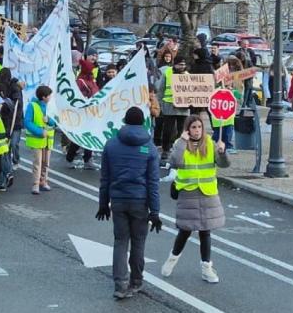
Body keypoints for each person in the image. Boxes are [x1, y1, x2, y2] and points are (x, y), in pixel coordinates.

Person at [96, 106, 161, 300]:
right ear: (143, 123)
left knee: (120, 241)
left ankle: (120, 285)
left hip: (118, 199)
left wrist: (103, 203)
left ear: (124, 121)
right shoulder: (149, 147)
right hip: (140, 201)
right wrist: (155, 211)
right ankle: (136, 281)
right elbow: (153, 182)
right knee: (138, 242)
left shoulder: (111, 144)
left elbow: (105, 178)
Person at [161, 115, 230, 284]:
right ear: (187, 129)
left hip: (207, 193)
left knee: (205, 232)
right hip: (188, 193)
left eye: (199, 127)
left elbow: (224, 164)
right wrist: (182, 142)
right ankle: (172, 260)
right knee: (185, 230)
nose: (197, 130)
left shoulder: (210, 143)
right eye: (193, 127)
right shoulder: (180, 144)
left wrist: (222, 152)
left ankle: (207, 268)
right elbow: (175, 162)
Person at [67, 53, 100, 169]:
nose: (92, 71)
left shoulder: (92, 80)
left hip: (92, 112)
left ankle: (87, 159)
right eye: (90, 70)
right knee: (80, 137)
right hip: (83, 113)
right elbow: (77, 97)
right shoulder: (80, 81)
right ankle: (70, 157)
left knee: (90, 136)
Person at [157, 56, 190, 162]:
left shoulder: (187, 75)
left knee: (182, 130)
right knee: (168, 129)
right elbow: (161, 89)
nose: (182, 67)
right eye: (180, 64)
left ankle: (180, 151)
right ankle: (166, 150)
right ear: (175, 64)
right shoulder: (168, 72)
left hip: (183, 106)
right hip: (169, 104)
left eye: (184, 65)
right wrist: (160, 103)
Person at [25, 85, 56, 194]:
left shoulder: (49, 106)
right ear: (43, 97)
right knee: (37, 163)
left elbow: (55, 121)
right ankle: (35, 184)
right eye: (49, 96)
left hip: (48, 140)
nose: (51, 97)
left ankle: (43, 181)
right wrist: (39, 132)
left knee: (46, 163)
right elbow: (27, 122)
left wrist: (49, 121)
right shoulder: (32, 106)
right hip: (37, 139)